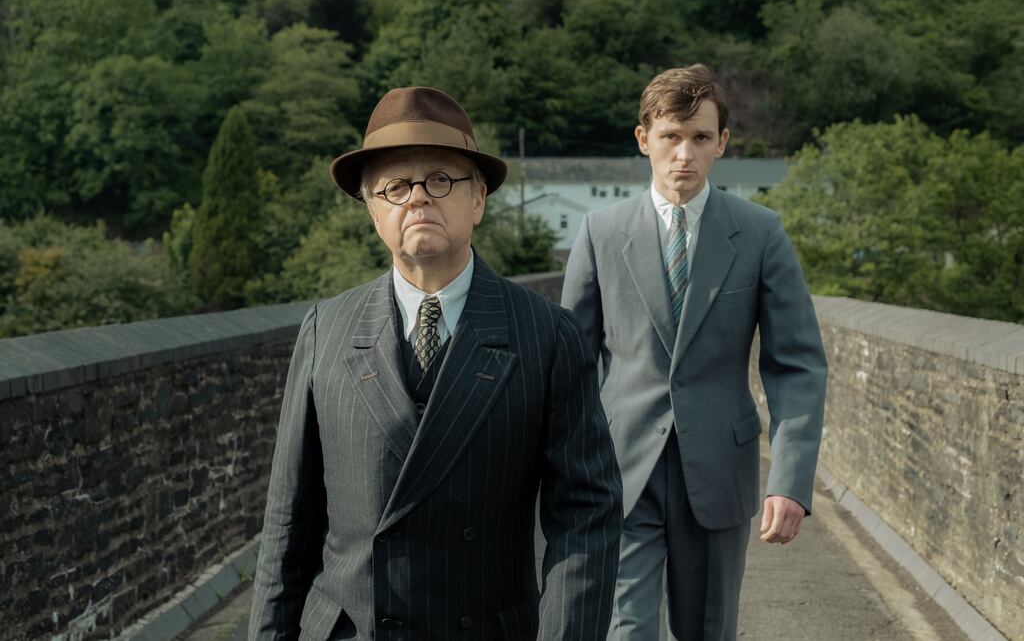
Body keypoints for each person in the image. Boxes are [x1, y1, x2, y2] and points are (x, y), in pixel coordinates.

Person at [249, 86, 622, 641]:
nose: (418, 198)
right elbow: (288, 522)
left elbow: (586, 517)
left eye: (440, 180)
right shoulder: (327, 328)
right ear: (372, 209)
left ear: (478, 200)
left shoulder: (547, 335)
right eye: (395, 186)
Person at [561, 65, 827, 640]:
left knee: (707, 630)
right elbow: (572, 365)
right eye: (670, 136)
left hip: (719, 470)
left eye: (700, 138)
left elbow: (797, 363)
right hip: (622, 470)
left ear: (722, 143)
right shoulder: (600, 232)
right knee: (625, 630)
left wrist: (790, 478)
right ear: (643, 140)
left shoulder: (760, 233)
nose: (684, 153)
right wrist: (564, 472)